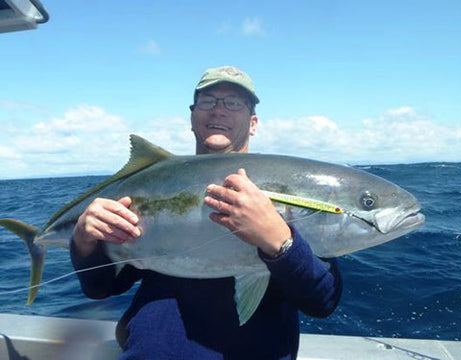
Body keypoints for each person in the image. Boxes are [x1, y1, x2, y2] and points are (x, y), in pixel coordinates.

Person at [71, 66, 342, 360]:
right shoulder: (154, 187)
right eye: (208, 101)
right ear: (192, 117)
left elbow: (322, 301)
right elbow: (101, 288)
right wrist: (84, 242)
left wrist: (280, 243)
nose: (218, 111)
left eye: (233, 102)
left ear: (253, 122)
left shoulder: (289, 188)